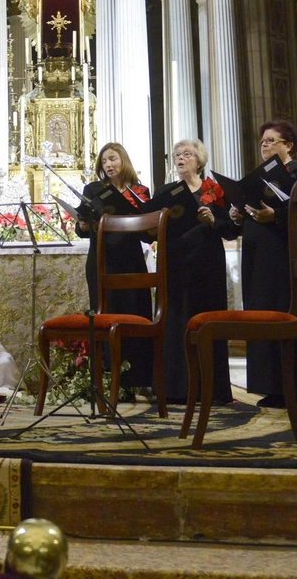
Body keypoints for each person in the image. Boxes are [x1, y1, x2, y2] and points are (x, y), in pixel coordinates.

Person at [228, 120, 297, 409]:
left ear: (288, 145)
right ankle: (268, 386)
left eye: (271, 140)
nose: (264, 145)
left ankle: (293, 387)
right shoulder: (257, 176)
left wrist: (275, 216)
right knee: (259, 313)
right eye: (262, 141)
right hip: (256, 252)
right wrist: (238, 214)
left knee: (282, 311)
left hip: (283, 253)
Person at [147, 138, 235, 404]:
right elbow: (150, 226)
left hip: (208, 264)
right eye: (176, 154)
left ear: (199, 160)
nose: (181, 158)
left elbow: (232, 229)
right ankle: (175, 388)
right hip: (175, 262)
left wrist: (213, 220)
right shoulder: (165, 192)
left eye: (187, 153)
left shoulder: (216, 191)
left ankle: (212, 388)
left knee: (208, 321)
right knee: (176, 320)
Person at [79, 141, 154, 391]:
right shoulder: (93, 189)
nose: (108, 165)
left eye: (113, 159)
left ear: (123, 160)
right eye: (104, 161)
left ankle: (137, 379)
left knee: (133, 315)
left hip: (130, 261)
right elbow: (83, 228)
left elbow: (148, 235)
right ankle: (107, 378)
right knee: (104, 314)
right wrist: (83, 226)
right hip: (101, 259)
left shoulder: (139, 191)